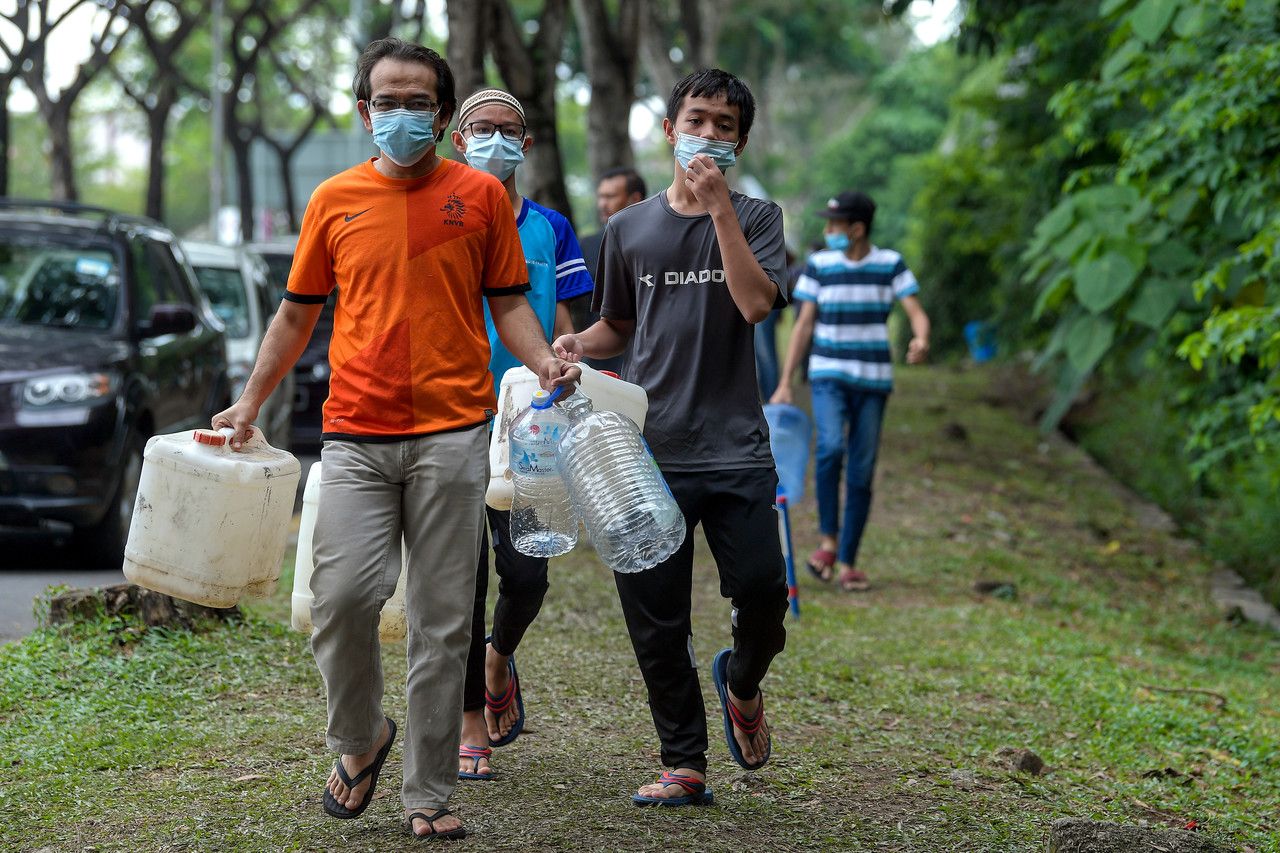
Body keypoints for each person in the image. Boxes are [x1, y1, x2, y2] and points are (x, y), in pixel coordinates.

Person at [211, 38, 578, 841]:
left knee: (443, 621)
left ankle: (428, 790)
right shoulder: (334, 199)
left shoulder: (479, 198)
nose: (404, 114)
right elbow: (296, 313)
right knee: (341, 601)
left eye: (419, 102)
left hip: (454, 433)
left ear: (442, 115)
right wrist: (249, 403)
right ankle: (360, 738)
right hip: (352, 436)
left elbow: (512, 303)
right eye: (389, 101)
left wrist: (546, 357)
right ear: (363, 110)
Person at [552, 68, 789, 807]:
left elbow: (754, 305)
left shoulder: (756, 216)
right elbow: (618, 324)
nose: (709, 134)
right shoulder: (628, 228)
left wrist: (718, 212)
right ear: (669, 129)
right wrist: (574, 348)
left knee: (762, 595)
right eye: (698, 119)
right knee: (656, 615)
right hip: (644, 450)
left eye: (725, 125)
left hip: (736, 447)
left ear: (741, 141)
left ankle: (742, 682)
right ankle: (684, 761)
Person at [448, 87, 594, 780]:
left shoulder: (551, 228)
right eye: (482, 128)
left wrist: (567, 364)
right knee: (461, 577)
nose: (495, 140)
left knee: (527, 570)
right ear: (458, 139)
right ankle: (470, 717)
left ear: (527, 144)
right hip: (453, 413)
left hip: (531, 418)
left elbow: (566, 321)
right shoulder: (440, 217)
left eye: (510, 130)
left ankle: (498, 654)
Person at [770, 190, 930, 592]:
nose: (827, 232)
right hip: (828, 376)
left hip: (873, 381)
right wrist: (786, 381)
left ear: (857, 229)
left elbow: (915, 311)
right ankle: (827, 541)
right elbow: (804, 325)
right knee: (830, 449)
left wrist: (921, 339)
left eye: (834, 225)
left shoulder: (890, 264)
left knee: (861, 470)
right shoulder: (819, 266)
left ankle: (847, 561)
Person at [576, 167, 646, 373]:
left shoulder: (656, 242)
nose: (602, 204)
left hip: (644, 357)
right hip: (599, 359)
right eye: (600, 197)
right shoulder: (587, 245)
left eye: (610, 196)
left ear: (635, 198)